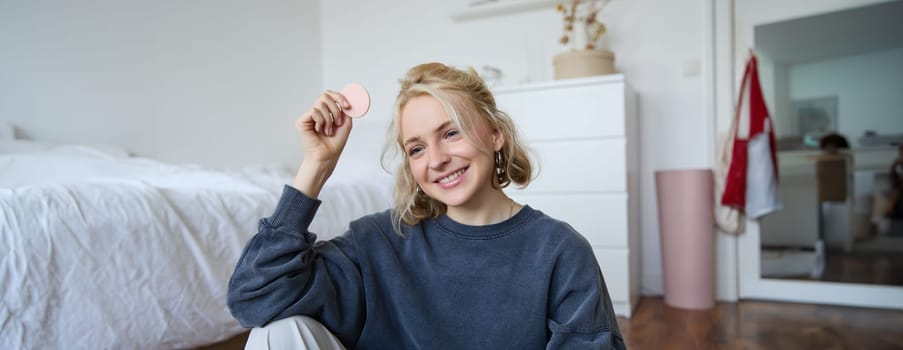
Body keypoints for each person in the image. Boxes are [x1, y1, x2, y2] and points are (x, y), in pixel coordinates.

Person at [227, 62, 626, 349]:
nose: (435, 160)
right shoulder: (378, 240)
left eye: (451, 133)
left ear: (496, 134)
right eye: (416, 148)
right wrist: (316, 166)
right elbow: (253, 298)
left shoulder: (559, 250)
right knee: (275, 332)